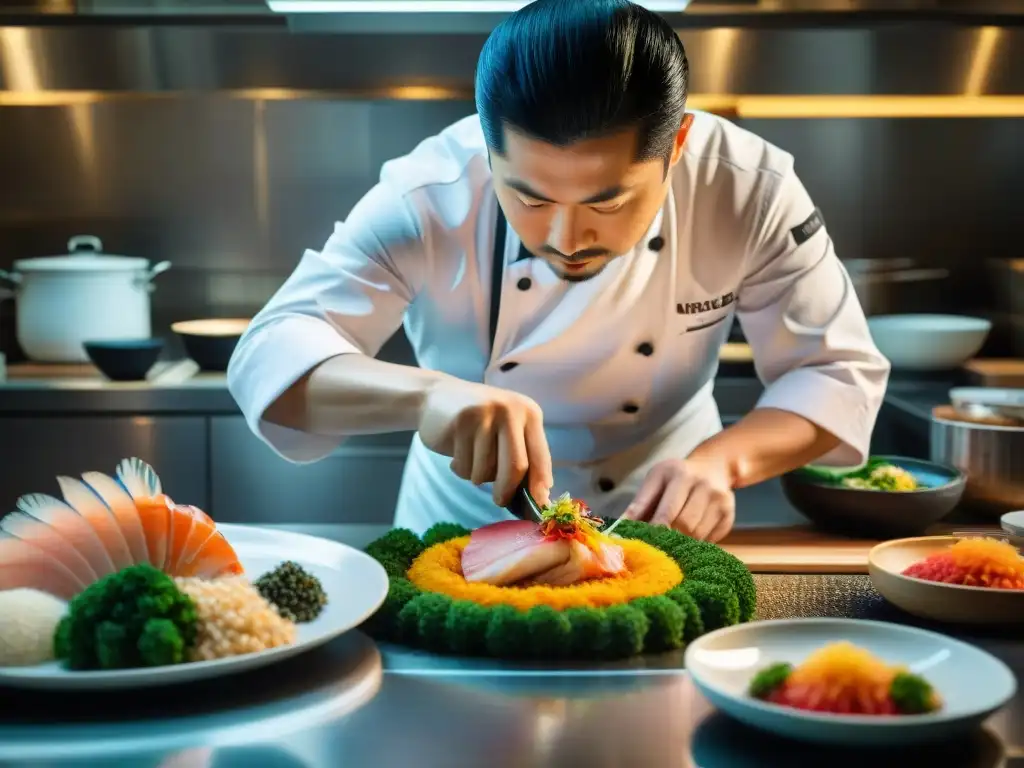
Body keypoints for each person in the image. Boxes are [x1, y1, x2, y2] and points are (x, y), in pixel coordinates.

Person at [227, 0, 890, 543]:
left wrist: (722, 464)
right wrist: (427, 395)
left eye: (609, 200)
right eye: (531, 198)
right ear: (490, 149)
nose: (566, 238)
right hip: (461, 531)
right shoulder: (430, 192)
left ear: (677, 145)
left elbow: (835, 372)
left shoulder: (748, 186)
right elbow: (270, 357)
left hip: (664, 527)